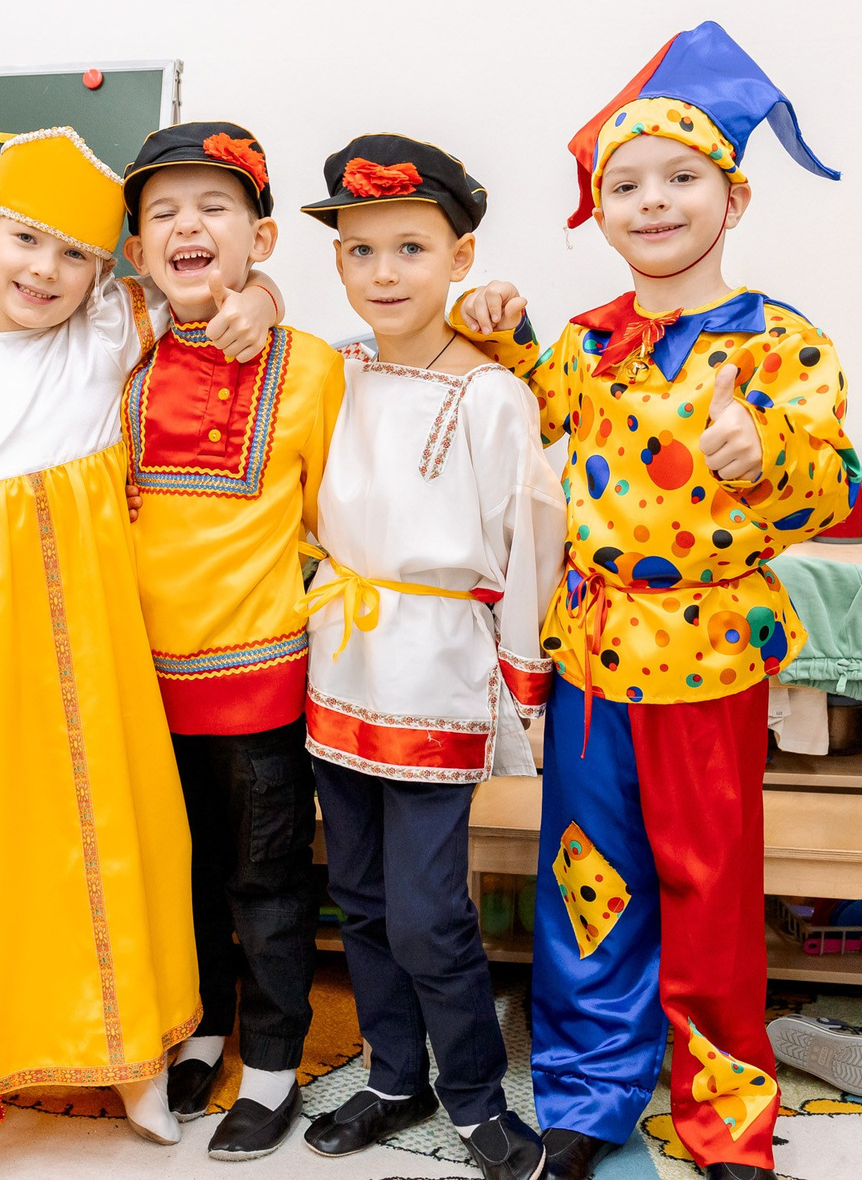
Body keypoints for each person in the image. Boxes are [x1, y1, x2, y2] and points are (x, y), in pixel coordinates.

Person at [465, 21, 857, 1180]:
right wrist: (501, 326)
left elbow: (831, 485)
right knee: (587, 885)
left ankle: (726, 1115)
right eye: (625, 183)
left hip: (710, 658)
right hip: (591, 662)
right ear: (601, 209)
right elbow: (534, 409)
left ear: (733, 198)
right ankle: (589, 1096)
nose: (652, 200)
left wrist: (762, 452)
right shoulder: (586, 344)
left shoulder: (782, 342)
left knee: (711, 895)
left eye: (680, 177)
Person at [0, 125, 278, 1148]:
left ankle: (131, 1052)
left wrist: (264, 299)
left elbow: (216, 292)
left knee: (108, 839)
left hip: (91, 647)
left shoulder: (109, 333)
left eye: (74, 254)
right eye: (25, 240)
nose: (44, 270)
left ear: (104, 271)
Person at [295, 135, 562, 1180]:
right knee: (358, 895)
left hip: (433, 668)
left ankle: (476, 1094)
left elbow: (528, 540)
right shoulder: (334, 370)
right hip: (339, 657)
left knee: (427, 910)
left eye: (410, 247)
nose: (385, 272)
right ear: (338, 263)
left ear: (462, 257)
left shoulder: (494, 393)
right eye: (361, 251)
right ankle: (394, 1072)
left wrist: (523, 680)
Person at [106, 121, 340, 1159]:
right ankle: (201, 1027)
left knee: (267, 881)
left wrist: (267, 304)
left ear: (263, 239)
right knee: (181, 874)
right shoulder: (120, 359)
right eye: (162, 212)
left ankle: (277, 1060)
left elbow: (340, 520)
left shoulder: (314, 369)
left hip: (258, 680)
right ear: (137, 250)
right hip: (139, 680)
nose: (186, 225)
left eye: (213, 207)